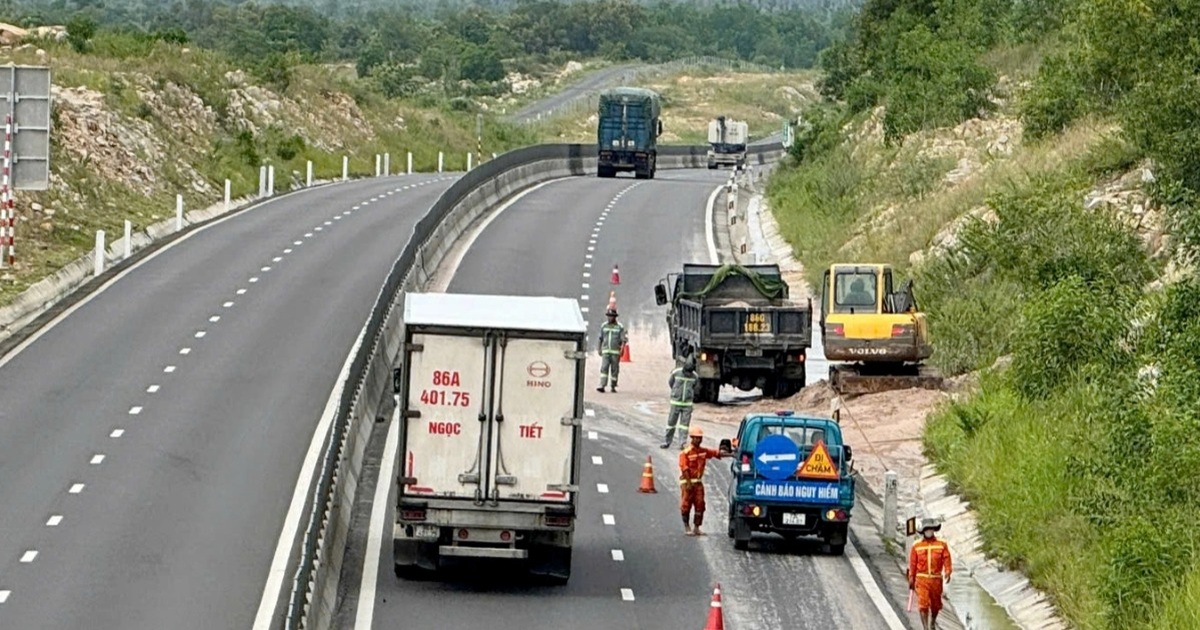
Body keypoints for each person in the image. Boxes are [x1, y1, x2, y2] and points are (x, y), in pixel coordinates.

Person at [678, 426, 731, 536]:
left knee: (700, 505)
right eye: (696, 438)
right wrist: (688, 483)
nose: (698, 440)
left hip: (698, 483)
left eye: (700, 438)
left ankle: (696, 528)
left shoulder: (702, 451)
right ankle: (687, 527)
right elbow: (684, 468)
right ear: (692, 438)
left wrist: (731, 454)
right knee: (686, 505)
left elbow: (716, 453)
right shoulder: (685, 453)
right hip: (687, 483)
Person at [908, 516, 953, 630]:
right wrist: (911, 577)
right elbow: (913, 563)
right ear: (923, 531)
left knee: (936, 605)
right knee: (923, 604)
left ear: (934, 530)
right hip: (922, 579)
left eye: (931, 529)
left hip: (936, 579)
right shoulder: (916, 545)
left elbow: (946, 558)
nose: (929, 531)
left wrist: (948, 571)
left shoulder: (941, 544)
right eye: (927, 529)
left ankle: (932, 622)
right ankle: (926, 628)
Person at [660, 356, 697, 449]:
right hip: (675, 403)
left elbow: (694, 386)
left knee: (684, 426)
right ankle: (667, 441)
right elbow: (671, 383)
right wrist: (676, 393)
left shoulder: (695, 376)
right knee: (671, 424)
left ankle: (682, 443)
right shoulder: (676, 373)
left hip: (687, 405)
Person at [596, 308, 627, 393]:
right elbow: (600, 338)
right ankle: (602, 385)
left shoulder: (619, 327)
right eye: (609, 316)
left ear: (615, 317)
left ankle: (613, 385)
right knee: (604, 368)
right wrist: (599, 349)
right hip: (606, 351)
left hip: (615, 352)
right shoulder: (604, 326)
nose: (610, 318)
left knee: (614, 369)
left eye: (612, 316)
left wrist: (622, 349)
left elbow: (623, 340)